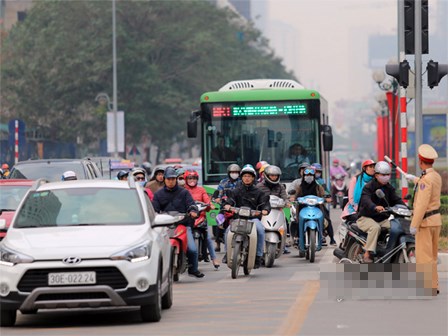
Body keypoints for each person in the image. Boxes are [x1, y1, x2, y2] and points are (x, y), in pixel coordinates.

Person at [152, 167, 204, 278]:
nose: (171, 181)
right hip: (165, 226)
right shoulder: (158, 194)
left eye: (173, 179)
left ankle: (193, 269)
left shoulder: (184, 192)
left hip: (183, 224)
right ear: (164, 179)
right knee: (154, 249)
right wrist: (155, 215)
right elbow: (154, 209)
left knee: (193, 250)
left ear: (176, 179)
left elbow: (191, 205)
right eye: (168, 179)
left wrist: (193, 211)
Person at [407, 144, 442, 295]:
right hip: (435, 220)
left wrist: (414, 224)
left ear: (421, 161)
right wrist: (415, 179)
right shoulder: (435, 176)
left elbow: (421, 204)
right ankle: (434, 285)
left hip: (426, 223)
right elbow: (428, 185)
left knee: (424, 257)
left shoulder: (426, 180)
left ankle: (428, 287)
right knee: (433, 256)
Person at [222, 164, 270, 269]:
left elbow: (265, 203)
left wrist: (265, 210)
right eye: (244, 176)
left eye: (249, 176)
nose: (247, 178)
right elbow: (229, 200)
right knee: (227, 231)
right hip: (238, 218)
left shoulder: (259, 192)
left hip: (253, 219)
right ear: (241, 177)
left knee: (261, 230)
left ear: (253, 178)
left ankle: (258, 256)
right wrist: (227, 205)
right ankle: (227, 253)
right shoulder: (236, 191)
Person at [357, 161, 406, 263]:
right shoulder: (369, 187)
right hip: (366, 218)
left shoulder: (389, 188)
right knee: (375, 228)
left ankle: (390, 250)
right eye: (383, 175)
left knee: (397, 227)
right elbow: (366, 200)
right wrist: (375, 207)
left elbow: (396, 199)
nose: (386, 177)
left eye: (388, 174)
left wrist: (406, 208)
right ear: (376, 175)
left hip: (382, 218)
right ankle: (368, 252)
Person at [183, 169, 220, 269]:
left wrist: (210, 205)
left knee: (207, 237)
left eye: (194, 178)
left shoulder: (201, 190)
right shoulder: (183, 190)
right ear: (186, 179)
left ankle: (214, 258)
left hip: (201, 217)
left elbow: (207, 200)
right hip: (188, 218)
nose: (192, 180)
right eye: (190, 178)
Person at [289, 166, 335, 246]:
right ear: (304, 176)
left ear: (313, 177)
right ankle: (297, 237)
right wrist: (292, 198)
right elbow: (294, 195)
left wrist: (327, 198)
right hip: (303, 207)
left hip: (317, 207)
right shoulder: (299, 186)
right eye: (307, 175)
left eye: (311, 175)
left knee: (327, 219)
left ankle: (331, 238)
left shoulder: (318, 186)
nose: (309, 177)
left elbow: (324, 193)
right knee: (296, 221)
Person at [256, 165, 291, 254]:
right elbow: (256, 197)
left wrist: (287, 202)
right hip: (263, 211)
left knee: (285, 222)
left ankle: (284, 242)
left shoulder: (280, 187)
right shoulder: (259, 186)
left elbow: (284, 197)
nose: (274, 177)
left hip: (277, 210)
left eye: (276, 175)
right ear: (266, 175)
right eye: (272, 175)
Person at [213, 163, 242, 253]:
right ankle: (217, 243)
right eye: (232, 172)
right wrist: (217, 199)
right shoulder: (223, 182)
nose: (234, 174)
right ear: (229, 173)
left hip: (237, 206)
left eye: (236, 172)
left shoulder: (241, 182)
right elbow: (219, 193)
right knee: (218, 220)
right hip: (225, 206)